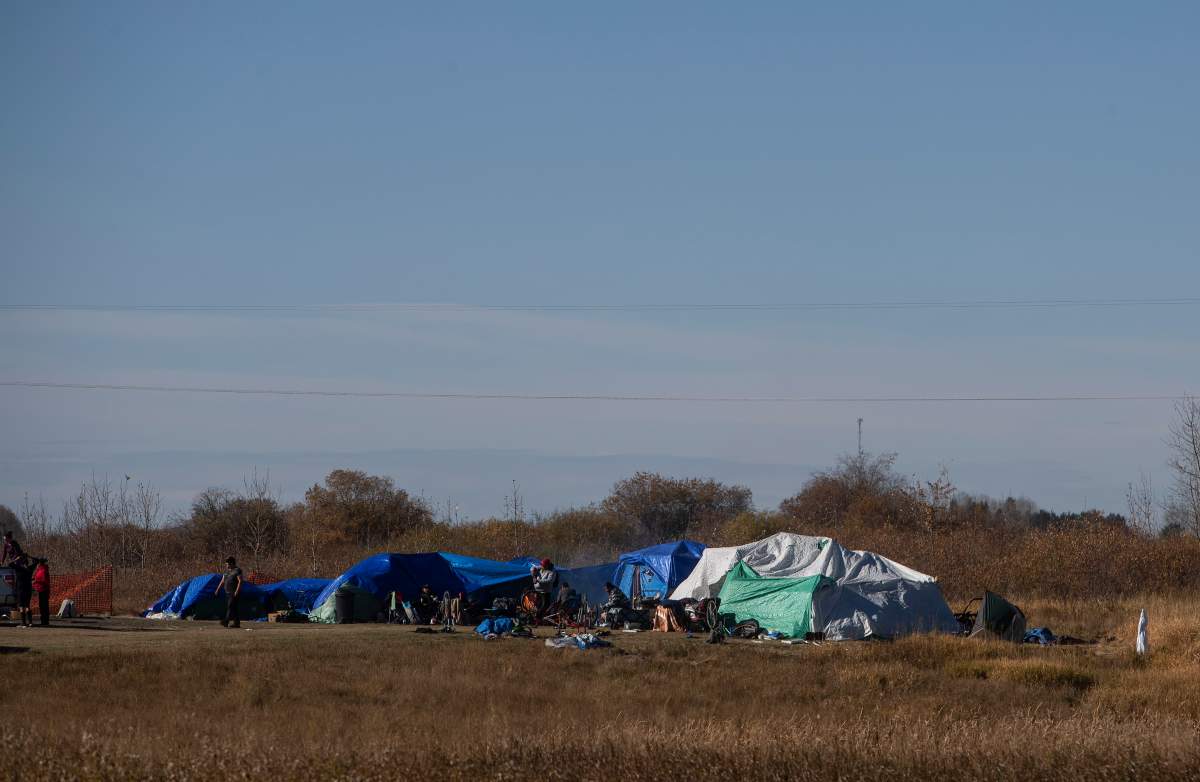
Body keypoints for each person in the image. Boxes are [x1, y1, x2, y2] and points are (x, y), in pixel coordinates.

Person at [214, 557, 243, 628]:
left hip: (234, 592)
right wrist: (217, 589)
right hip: (227, 592)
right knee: (234, 608)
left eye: (227, 564)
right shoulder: (226, 572)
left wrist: (237, 591)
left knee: (230, 606)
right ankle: (237, 623)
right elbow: (222, 581)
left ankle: (226, 621)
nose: (226, 566)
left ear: (232, 563)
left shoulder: (237, 570)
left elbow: (240, 581)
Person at [11, 554, 33, 628]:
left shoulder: (19, 569)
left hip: (20, 590)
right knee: (27, 606)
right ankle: (30, 622)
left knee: (21, 606)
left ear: (21, 563)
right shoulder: (30, 569)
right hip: (28, 590)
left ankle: (23, 623)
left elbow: (10, 564)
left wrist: (17, 558)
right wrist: (29, 556)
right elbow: (37, 561)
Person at [32, 558, 50, 627]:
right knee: (42, 606)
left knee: (44, 606)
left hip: (43, 590)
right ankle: (43, 620)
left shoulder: (43, 570)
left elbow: (44, 581)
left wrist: (36, 581)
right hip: (40, 589)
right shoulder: (39, 570)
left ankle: (45, 621)